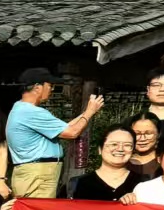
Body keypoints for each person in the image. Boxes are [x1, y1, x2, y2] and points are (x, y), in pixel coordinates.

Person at [6, 67, 103, 200]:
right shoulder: (31, 112)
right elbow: (72, 132)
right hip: (37, 174)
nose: (52, 89)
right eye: (50, 85)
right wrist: (89, 112)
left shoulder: (22, 109)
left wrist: (88, 111)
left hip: (35, 173)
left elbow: (67, 127)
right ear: (37, 87)